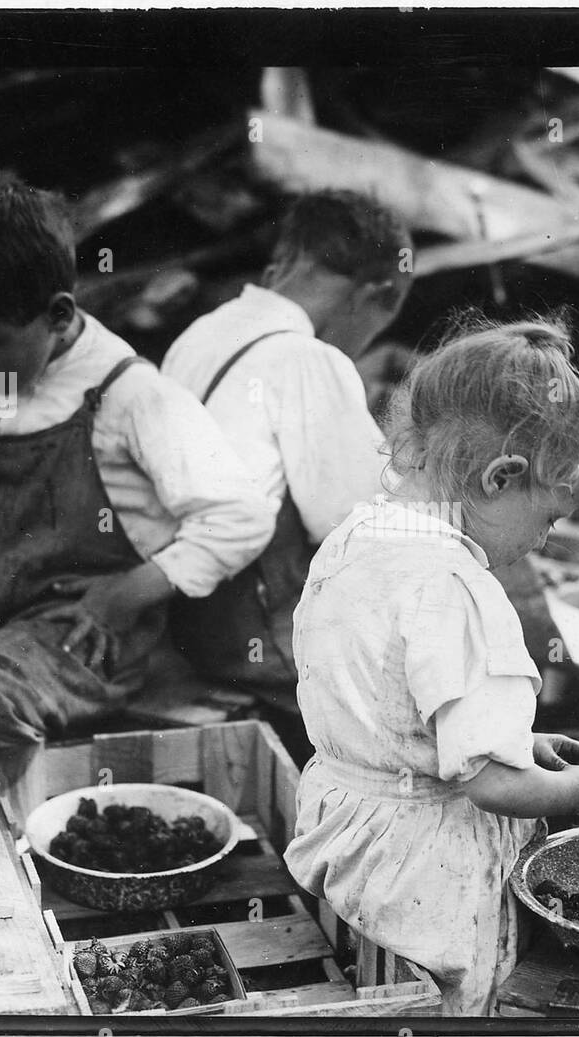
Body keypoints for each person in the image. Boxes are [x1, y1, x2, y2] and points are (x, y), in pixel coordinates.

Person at [0, 172, 272, 827]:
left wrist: (128, 593)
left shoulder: (129, 395)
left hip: (81, 637)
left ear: (59, 314)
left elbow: (241, 514)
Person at [283, 320, 579, 1015]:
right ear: (502, 478)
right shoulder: (459, 587)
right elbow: (490, 783)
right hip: (426, 866)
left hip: (347, 834)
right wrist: (577, 796)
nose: (544, 539)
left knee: (374, 996)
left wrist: (518, 743)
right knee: (449, 1007)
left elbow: (395, 710)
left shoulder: (356, 535)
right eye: (550, 516)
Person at [160, 190, 411, 756]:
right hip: (255, 632)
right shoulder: (307, 358)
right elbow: (355, 521)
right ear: (379, 293)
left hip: (186, 616)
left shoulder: (200, 333)